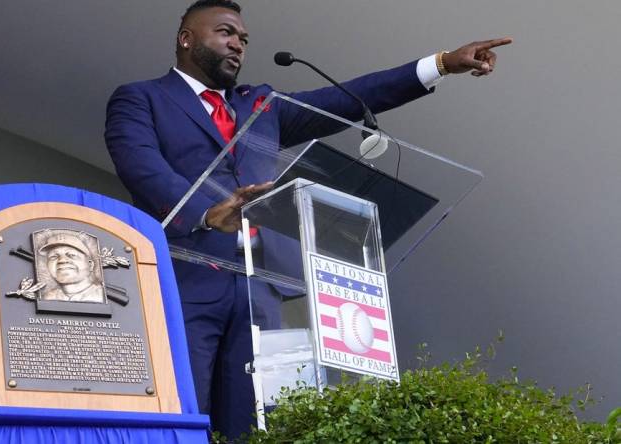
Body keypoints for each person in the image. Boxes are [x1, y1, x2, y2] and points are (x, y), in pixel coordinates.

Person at [104, 0, 511, 438]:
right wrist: (204, 213)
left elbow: (349, 98)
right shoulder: (141, 98)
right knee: (184, 413)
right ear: (186, 37)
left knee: (255, 422)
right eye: (225, 32)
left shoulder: (262, 105)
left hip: (260, 286)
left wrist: (442, 65)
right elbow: (142, 167)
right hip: (185, 277)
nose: (237, 44)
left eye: (242, 38)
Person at [36, 232, 106, 303]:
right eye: (54, 256)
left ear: (90, 265)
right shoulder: (48, 297)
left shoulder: (103, 295)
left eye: (71, 255)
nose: (62, 260)